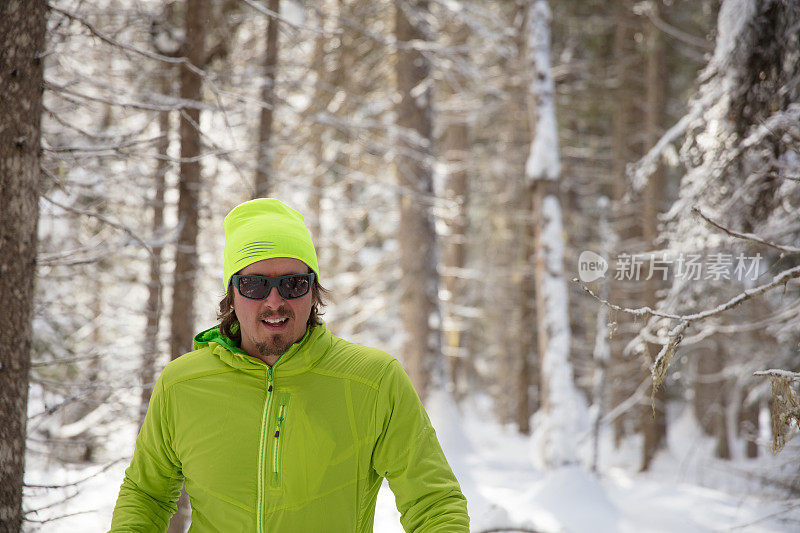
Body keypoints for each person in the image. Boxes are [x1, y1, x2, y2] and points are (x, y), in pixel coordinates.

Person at [109, 198, 469, 532]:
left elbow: (432, 503)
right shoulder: (182, 383)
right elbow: (147, 495)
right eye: (254, 285)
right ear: (232, 294)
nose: (275, 301)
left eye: (293, 284)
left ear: (313, 292)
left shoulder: (373, 380)